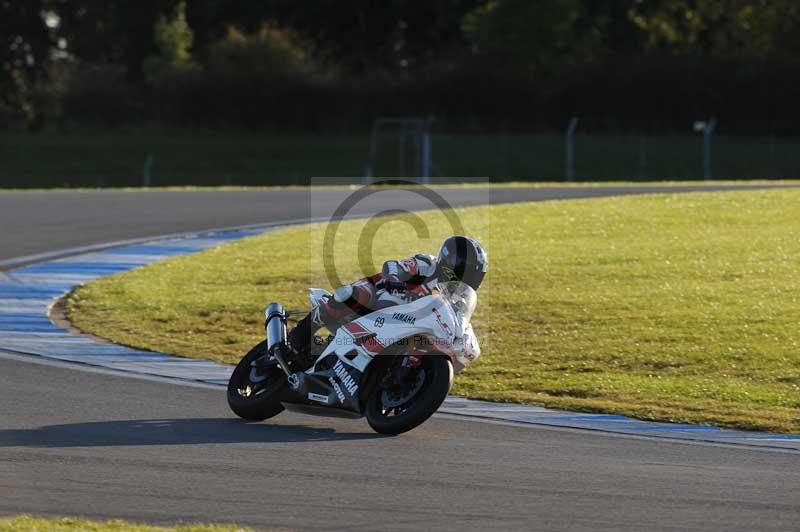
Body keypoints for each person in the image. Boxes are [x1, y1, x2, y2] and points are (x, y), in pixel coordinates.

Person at [286, 235, 488, 360]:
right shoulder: (427, 264)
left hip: (408, 328)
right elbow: (393, 265)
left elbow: (460, 324)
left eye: (475, 275)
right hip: (379, 298)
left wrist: (465, 342)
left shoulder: (459, 299)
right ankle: (300, 333)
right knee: (350, 295)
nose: (469, 279)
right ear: (451, 262)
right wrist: (394, 279)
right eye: (466, 272)